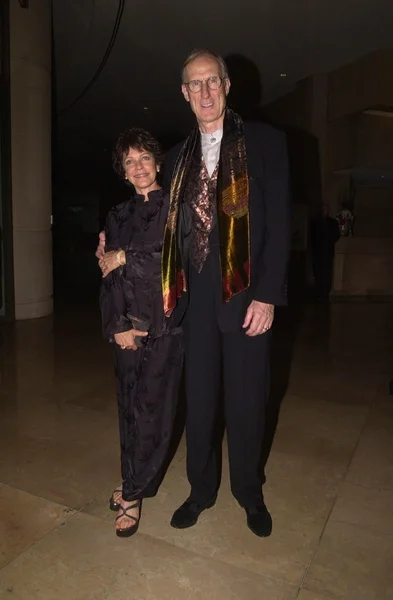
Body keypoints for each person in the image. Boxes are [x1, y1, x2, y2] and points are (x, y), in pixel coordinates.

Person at [97, 49, 291, 537]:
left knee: (247, 402)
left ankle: (249, 492)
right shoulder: (179, 155)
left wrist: (268, 294)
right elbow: (154, 217)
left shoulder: (265, 143)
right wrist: (111, 243)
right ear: (184, 93)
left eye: (212, 82)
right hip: (193, 302)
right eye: (194, 85)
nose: (204, 92)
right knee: (200, 403)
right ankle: (200, 491)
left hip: (247, 297)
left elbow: (283, 224)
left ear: (226, 86)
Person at [99, 128, 183, 538]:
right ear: (123, 171)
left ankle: (132, 493)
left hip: (165, 328)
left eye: (144, 158)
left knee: (153, 413)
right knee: (128, 409)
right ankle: (130, 478)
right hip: (126, 328)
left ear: (158, 162)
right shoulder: (116, 216)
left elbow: (174, 264)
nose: (138, 167)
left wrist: (124, 257)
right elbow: (109, 276)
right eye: (129, 161)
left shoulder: (177, 207)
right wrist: (118, 325)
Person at [310, 203, 340, 300]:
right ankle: (319, 292)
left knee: (327, 273)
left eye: (326, 209)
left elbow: (336, 235)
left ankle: (325, 293)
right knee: (318, 273)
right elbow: (312, 237)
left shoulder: (333, 223)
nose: (324, 211)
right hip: (317, 253)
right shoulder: (315, 222)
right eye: (323, 209)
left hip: (327, 253)